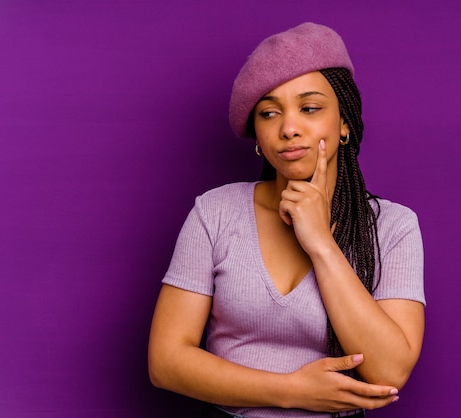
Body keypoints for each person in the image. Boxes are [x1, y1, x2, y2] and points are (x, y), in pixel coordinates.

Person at [148, 22, 425, 418]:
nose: (289, 129)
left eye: (310, 108)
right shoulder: (215, 211)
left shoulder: (393, 227)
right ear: (257, 135)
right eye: (269, 113)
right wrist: (291, 391)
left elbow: (389, 371)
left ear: (344, 122)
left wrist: (321, 244)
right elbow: (165, 361)